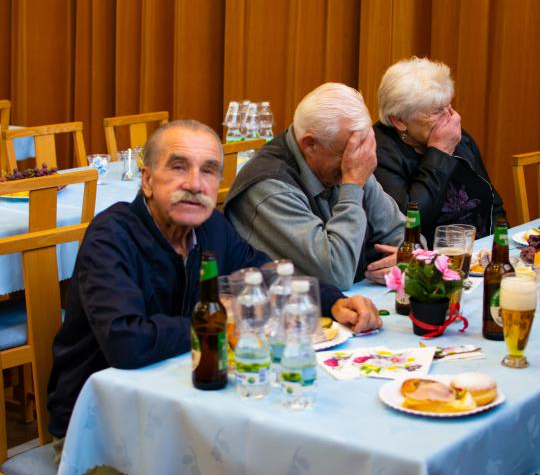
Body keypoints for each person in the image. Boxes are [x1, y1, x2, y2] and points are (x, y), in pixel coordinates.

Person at [47, 119, 381, 442]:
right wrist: (219, 319)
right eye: (179, 167)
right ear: (147, 180)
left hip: (184, 403)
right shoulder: (112, 236)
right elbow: (126, 341)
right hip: (101, 422)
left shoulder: (211, 227)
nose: (195, 184)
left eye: (208, 170)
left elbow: (266, 273)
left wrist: (333, 301)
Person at [224, 83, 405, 291]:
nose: (356, 162)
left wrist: (407, 260)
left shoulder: (349, 162)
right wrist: (352, 187)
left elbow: (408, 238)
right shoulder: (269, 187)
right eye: (345, 154)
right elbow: (336, 275)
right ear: (310, 144)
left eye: (358, 152)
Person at [374, 57, 506, 246]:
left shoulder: (457, 136)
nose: (450, 118)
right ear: (399, 120)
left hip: (480, 252)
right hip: (426, 258)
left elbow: (492, 201)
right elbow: (408, 223)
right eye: (436, 111)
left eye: (448, 106)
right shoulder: (379, 152)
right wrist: (439, 153)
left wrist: (501, 246)